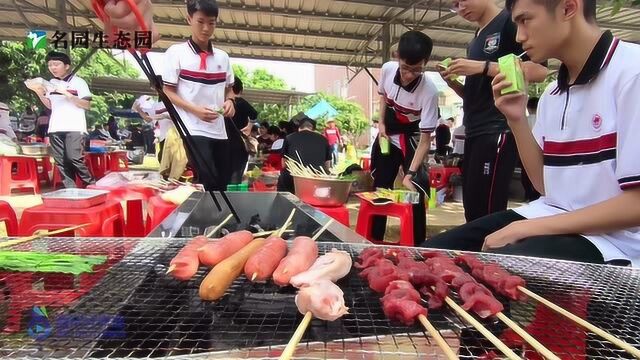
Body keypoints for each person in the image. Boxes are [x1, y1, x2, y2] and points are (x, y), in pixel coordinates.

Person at [426, 0, 640, 267]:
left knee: (490, 269)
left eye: (525, 20)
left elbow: (636, 206)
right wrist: (516, 118)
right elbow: (544, 185)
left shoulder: (632, 73)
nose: (519, 36)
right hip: (551, 215)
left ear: (568, 8)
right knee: (427, 254)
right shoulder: (553, 94)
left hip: (616, 240)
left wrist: (531, 228)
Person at [440, 0, 548, 222]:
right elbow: (478, 94)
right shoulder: (476, 38)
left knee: (487, 209)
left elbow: (539, 70)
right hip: (474, 130)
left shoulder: (509, 22)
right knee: (472, 207)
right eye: (454, 6)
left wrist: (483, 66)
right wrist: (453, 84)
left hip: (497, 128)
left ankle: (490, 254)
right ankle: (477, 255)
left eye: (462, 1)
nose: (461, 9)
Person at [162, 0, 244, 192]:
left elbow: (230, 88)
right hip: (192, 127)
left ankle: (219, 219)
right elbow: (168, 91)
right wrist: (195, 110)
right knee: (207, 178)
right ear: (189, 19)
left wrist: (230, 100)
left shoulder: (222, 57)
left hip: (219, 128)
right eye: (200, 22)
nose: (206, 28)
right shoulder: (176, 53)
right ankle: (203, 219)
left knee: (223, 180)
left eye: (211, 23)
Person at [371, 30, 440, 245]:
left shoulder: (430, 92)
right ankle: (374, 240)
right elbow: (383, 97)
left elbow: (425, 140)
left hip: (413, 135)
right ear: (396, 56)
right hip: (389, 131)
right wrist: (381, 123)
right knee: (381, 187)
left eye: (416, 69)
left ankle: (416, 244)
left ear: (425, 63)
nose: (408, 74)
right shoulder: (387, 69)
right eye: (405, 68)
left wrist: (409, 174)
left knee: (416, 189)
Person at [29, 51, 94, 188]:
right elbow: (50, 105)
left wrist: (66, 93)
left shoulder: (79, 82)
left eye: (56, 64)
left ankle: (91, 185)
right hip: (55, 127)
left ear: (67, 66)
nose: (53, 67)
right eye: (50, 65)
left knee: (74, 158)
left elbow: (86, 105)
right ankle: (70, 190)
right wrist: (39, 92)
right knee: (61, 161)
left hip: (75, 128)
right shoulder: (51, 83)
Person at [277, 117, 332, 193]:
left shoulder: (289, 138)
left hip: (294, 178)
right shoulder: (324, 139)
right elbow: (327, 166)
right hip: (318, 178)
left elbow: (284, 164)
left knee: (283, 177)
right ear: (313, 129)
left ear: (299, 128)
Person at [229, 77, 258, 183]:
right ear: (241, 90)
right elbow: (254, 114)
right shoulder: (241, 102)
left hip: (222, 142)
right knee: (236, 174)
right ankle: (232, 197)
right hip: (238, 141)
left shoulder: (221, 102)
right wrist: (249, 127)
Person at [521, 97, 540, 202]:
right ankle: (536, 195)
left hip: (524, 151)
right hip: (539, 150)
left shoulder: (524, 121)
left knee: (526, 174)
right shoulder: (541, 119)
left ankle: (528, 194)